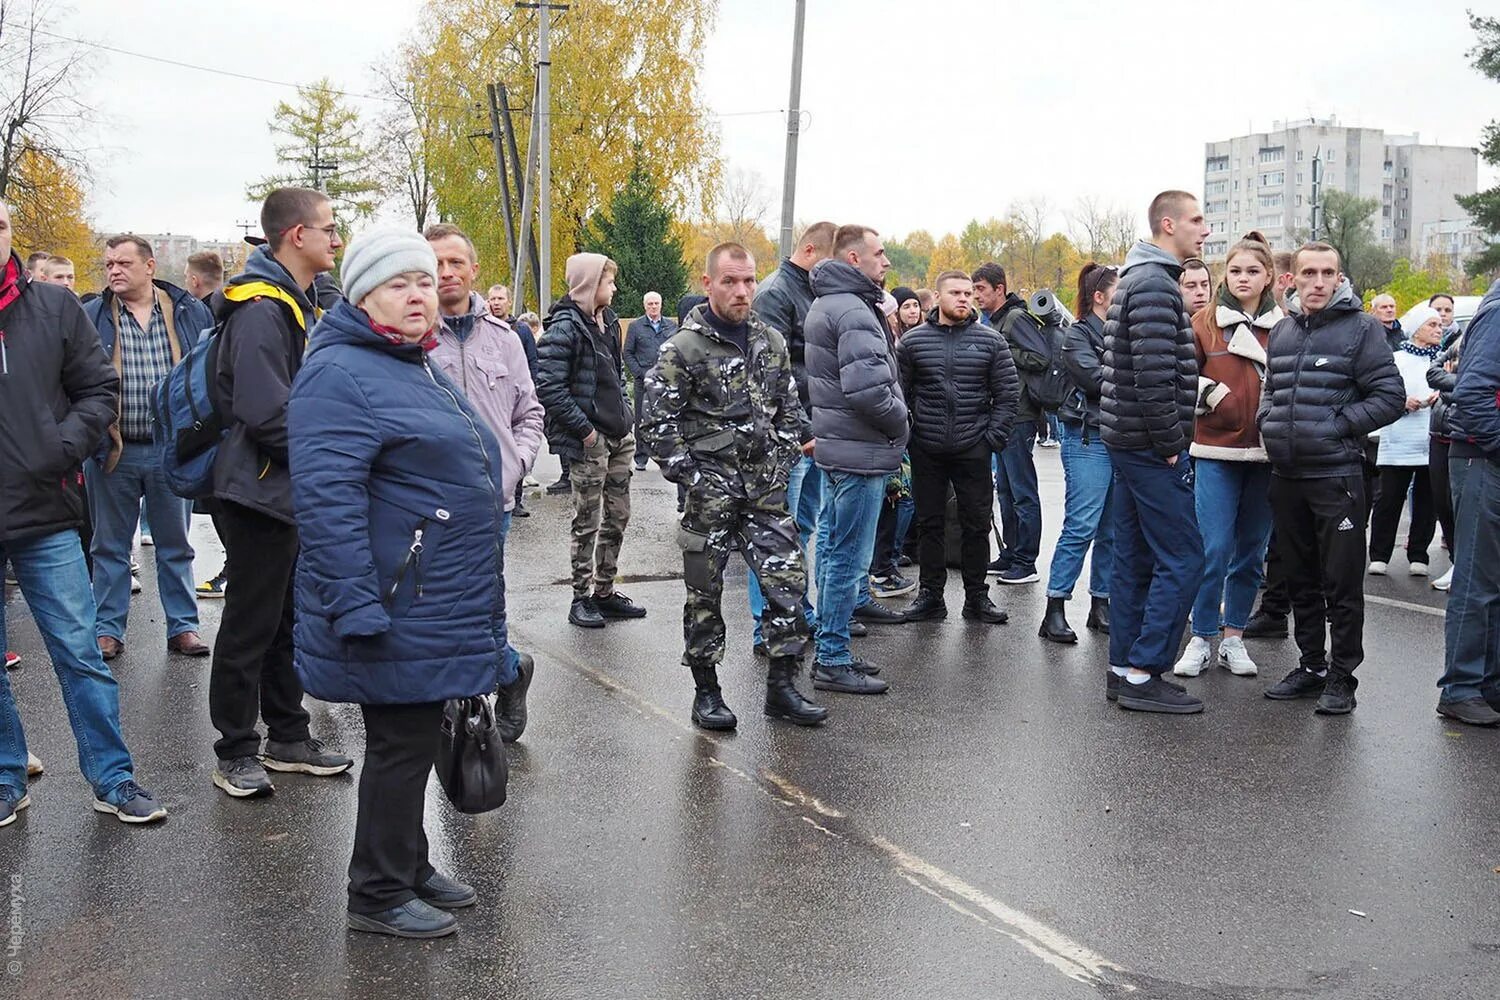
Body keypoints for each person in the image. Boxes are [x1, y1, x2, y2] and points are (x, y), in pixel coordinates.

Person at [288, 228, 505, 938]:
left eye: (422, 282)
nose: (417, 295)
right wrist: (354, 604)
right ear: (361, 296)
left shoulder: (406, 361)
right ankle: (376, 892)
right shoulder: (341, 372)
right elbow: (326, 500)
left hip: (430, 594)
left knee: (413, 735)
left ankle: (409, 864)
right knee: (398, 743)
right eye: (396, 284)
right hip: (391, 600)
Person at [0, 201, 167, 827]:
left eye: (1, 225)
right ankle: (5, 776)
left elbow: (100, 389)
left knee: (79, 651)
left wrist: (63, 446)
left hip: (44, 511)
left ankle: (112, 777)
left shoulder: (52, 306)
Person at [642, 242, 828, 730]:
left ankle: (782, 689)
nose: (742, 290)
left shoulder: (769, 340)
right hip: (711, 496)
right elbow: (658, 424)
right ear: (709, 284)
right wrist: (694, 476)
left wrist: (783, 460)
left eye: (748, 280)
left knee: (788, 583)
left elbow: (790, 409)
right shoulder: (682, 348)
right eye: (730, 281)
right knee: (704, 594)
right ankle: (707, 693)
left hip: (766, 493)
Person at [208, 187, 354, 798]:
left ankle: (288, 735)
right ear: (298, 236)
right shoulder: (263, 309)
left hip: (278, 490)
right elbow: (266, 414)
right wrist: (331, 461)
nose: (337, 240)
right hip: (256, 493)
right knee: (250, 623)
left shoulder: (290, 302)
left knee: (284, 620)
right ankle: (236, 748)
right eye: (328, 230)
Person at [1257, 242, 1404, 715]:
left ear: (1340, 279)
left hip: (1337, 476)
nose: (1319, 282)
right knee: (1299, 578)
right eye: (1309, 274)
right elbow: (1270, 390)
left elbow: (1390, 396)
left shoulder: (1361, 330)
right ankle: (1311, 665)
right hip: (1286, 475)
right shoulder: (1281, 330)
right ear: (1292, 280)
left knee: (1340, 584)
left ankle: (1343, 677)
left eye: (1328, 273)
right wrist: (1269, 421)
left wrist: (1336, 425)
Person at [425, 223, 544, 740]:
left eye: (456, 262)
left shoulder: (506, 338)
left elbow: (530, 412)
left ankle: (490, 687)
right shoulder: (412, 336)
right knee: (434, 604)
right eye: (436, 264)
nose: (446, 272)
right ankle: (506, 671)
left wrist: (515, 465)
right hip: (426, 501)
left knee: (481, 602)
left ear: (473, 269)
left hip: (490, 501)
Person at [1100, 190, 1209, 714]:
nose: (1204, 230)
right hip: (1148, 447)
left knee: (1136, 558)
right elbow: (1153, 377)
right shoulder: (1153, 285)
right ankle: (1144, 674)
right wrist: (1171, 445)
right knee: (1185, 556)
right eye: (1196, 220)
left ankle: (1125, 669)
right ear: (1168, 225)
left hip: (1132, 443)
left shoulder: (1141, 279)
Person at [82, 234, 211, 661]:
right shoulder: (93, 315)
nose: (114, 271)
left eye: (123, 263)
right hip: (113, 450)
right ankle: (108, 630)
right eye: (109, 265)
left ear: (150, 266)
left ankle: (183, 627)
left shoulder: (188, 312)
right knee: (109, 547)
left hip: (170, 451)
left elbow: (207, 371)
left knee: (176, 545)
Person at [1173, 233, 1283, 679]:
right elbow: (1181, 376)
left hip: (1267, 452)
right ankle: (1201, 636)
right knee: (1212, 547)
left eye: (1253, 271)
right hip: (1216, 449)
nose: (1243, 278)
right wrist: (1212, 392)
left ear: (1269, 277)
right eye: (1235, 270)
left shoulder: (1287, 325)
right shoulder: (1203, 323)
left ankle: (1234, 638)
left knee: (1251, 554)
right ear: (1225, 274)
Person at [803, 224, 905, 692]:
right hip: (858, 450)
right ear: (853, 259)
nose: (885, 262)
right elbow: (868, 390)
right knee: (846, 557)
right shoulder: (853, 309)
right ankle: (832, 656)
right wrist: (902, 422)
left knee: (831, 550)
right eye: (878, 254)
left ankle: (833, 645)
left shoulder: (832, 303)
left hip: (841, 446)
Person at [896, 270, 1017, 624]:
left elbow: (1008, 395)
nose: (964, 298)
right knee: (929, 524)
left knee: (976, 524)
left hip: (973, 448)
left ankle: (977, 598)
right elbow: (900, 394)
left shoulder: (991, 341)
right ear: (938, 297)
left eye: (968, 293)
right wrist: (910, 436)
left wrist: (990, 440)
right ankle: (931, 596)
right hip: (927, 448)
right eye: (955, 293)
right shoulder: (914, 342)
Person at [535, 252, 646, 628]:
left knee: (618, 516)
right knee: (588, 520)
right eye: (608, 281)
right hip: (589, 441)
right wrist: (586, 432)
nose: (613, 288)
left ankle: (605, 591)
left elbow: (615, 376)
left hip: (618, 436)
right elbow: (548, 386)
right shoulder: (564, 328)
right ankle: (580, 597)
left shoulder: (610, 322)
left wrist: (627, 414)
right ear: (589, 283)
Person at [745, 222, 836, 652]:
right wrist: (798, 430)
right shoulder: (776, 293)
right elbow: (768, 372)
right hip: (789, 436)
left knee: (805, 527)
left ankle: (798, 611)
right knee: (772, 532)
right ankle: (766, 624)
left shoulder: (814, 291)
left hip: (817, 428)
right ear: (812, 250)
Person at [1040, 262, 1118, 643]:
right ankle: (1054, 608)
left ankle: (1100, 604)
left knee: (1112, 529)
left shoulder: (1123, 334)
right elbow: (1095, 380)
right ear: (1100, 297)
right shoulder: (1078, 335)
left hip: (1121, 438)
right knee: (1082, 525)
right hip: (1089, 438)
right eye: (1121, 292)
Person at [1436, 278, 1500, 725]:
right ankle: (1460, 688)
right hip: (1483, 458)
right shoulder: (1499, 313)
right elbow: (1473, 393)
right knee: (1477, 580)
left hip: (1487, 455)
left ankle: (1487, 685)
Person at [972, 262, 1042, 584]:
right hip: (1001, 417)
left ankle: (1026, 561)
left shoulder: (1015, 318)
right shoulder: (995, 321)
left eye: (981, 289)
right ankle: (1011, 554)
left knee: (1022, 491)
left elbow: (1040, 357)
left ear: (999, 289)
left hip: (1020, 416)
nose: (976, 296)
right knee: (1005, 492)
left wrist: (1001, 351)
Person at [1243, 248, 1300, 638]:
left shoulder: (1293, 325)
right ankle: (1272, 609)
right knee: (1259, 539)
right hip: (1246, 446)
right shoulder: (1214, 323)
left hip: (1291, 449)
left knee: (1286, 539)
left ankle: (1278, 610)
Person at [1367, 305, 1443, 577]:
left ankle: (1419, 553)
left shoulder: (1442, 359)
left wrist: (1440, 398)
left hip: (1431, 437)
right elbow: (1379, 391)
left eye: (1439, 325)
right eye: (1431, 324)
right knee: (1388, 498)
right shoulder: (1396, 359)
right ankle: (1379, 554)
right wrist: (1401, 402)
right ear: (1417, 329)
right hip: (1398, 437)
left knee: (1427, 499)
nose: (1438, 329)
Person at [1426, 326, 1467, 592]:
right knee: (1442, 504)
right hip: (1439, 434)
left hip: (1463, 440)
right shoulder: (1458, 342)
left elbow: (1468, 387)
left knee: (1462, 508)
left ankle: (1466, 568)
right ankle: (1456, 563)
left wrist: (1448, 385)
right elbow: (1433, 373)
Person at [622, 291, 678, 470]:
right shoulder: (636, 327)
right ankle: (640, 457)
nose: (653, 307)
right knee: (641, 419)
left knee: (668, 418)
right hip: (643, 382)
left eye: (656, 303)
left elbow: (676, 349)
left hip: (665, 381)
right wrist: (639, 373)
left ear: (661, 305)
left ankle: (669, 456)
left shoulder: (671, 326)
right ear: (644, 306)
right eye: (650, 304)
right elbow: (627, 353)